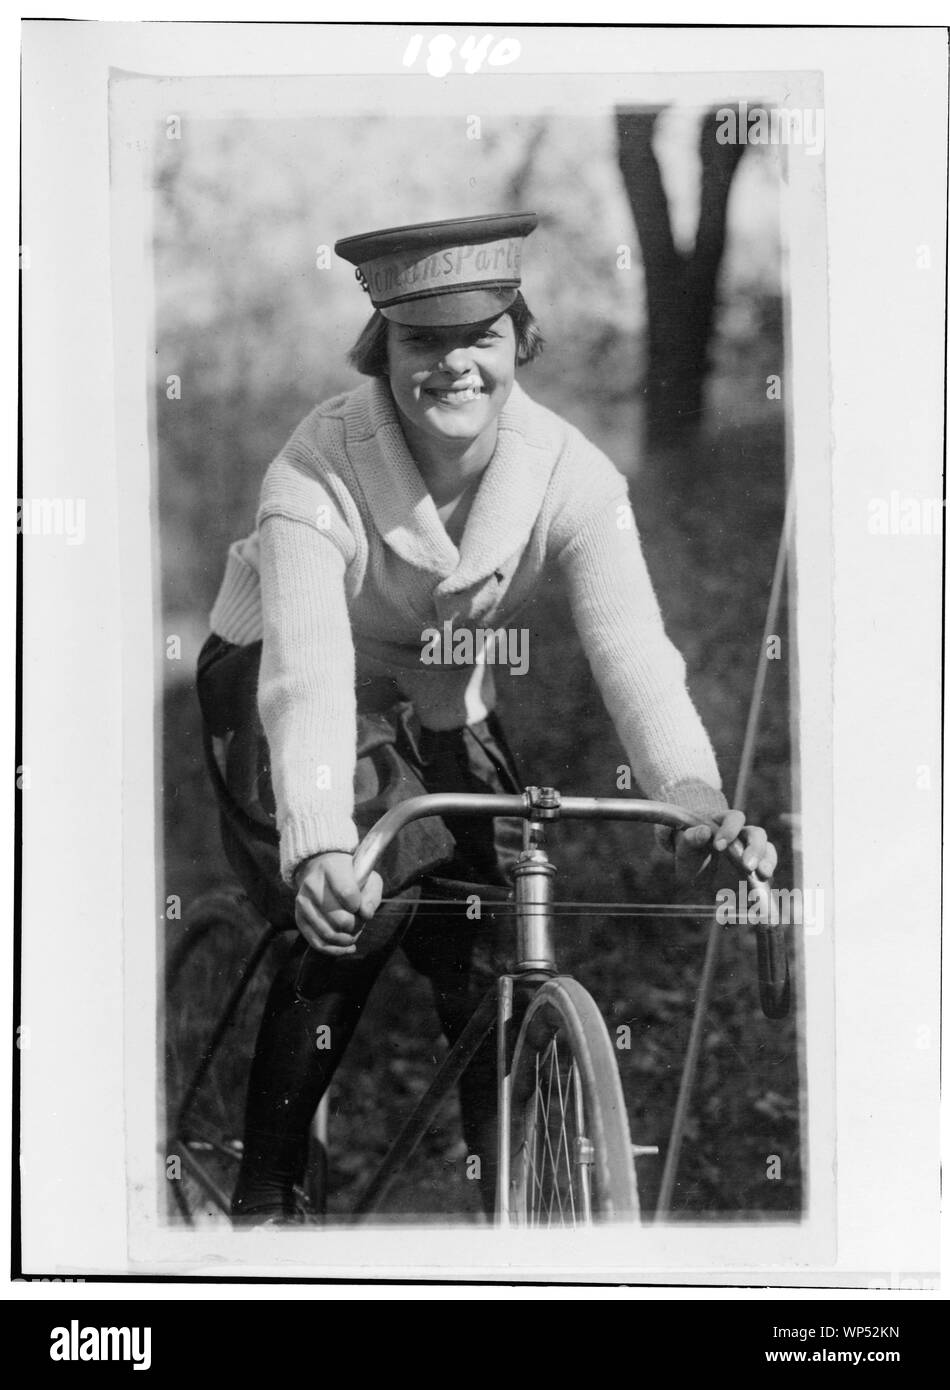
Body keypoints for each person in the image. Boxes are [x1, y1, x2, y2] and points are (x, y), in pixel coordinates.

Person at [196, 211, 778, 1226]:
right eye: (423, 340)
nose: (453, 364)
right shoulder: (313, 468)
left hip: (434, 689)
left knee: (491, 902)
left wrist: (691, 796)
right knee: (363, 898)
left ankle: (506, 1200)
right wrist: (324, 840)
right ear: (384, 349)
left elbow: (633, 654)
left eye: (480, 337)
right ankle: (265, 1200)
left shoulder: (571, 474)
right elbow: (309, 674)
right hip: (276, 674)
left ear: (521, 341)